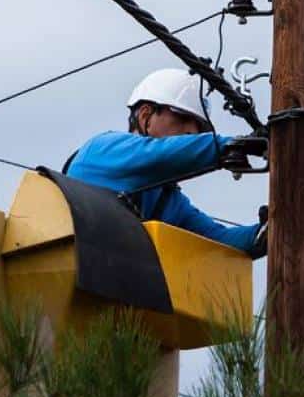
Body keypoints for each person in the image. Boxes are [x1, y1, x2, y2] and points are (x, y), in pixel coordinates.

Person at [64, 68, 266, 257]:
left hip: (106, 282)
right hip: (69, 265)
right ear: (145, 116)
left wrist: (272, 229)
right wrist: (233, 146)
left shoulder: (167, 200)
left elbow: (219, 242)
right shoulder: (103, 149)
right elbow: (160, 153)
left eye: (199, 129)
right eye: (182, 118)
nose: (192, 132)